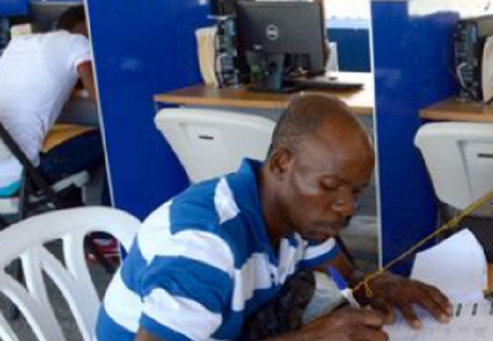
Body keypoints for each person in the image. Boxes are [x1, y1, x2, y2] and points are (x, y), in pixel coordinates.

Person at [96, 94, 453, 341]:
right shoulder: (204, 243)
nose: (346, 206)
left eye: (357, 192)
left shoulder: (301, 217)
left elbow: (346, 279)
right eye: (330, 186)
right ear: (282, 164)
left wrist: (383, 285)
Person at [0, 6, 102, 212]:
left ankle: (73, 217)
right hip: (23, 175)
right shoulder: (78, 42)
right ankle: (104, 220)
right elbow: (100, 100)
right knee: (110, 138)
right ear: (87, 26)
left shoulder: (18, 44)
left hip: (5, 172)